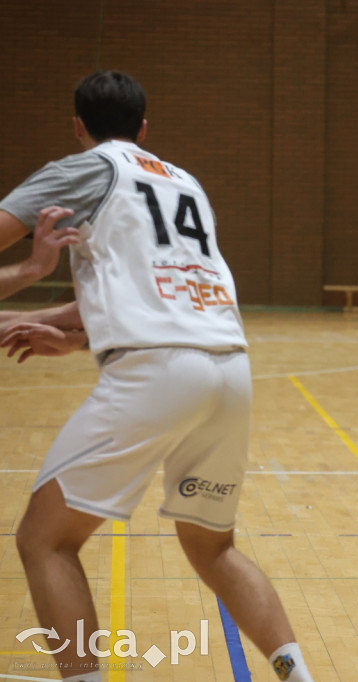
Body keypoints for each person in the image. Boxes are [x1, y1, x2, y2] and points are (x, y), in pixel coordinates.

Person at [0, 70, 314, 682]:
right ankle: (299, 677)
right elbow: (159, 290)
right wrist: (60, 327)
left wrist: (33, 274)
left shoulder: (82, 169)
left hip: (157, 372)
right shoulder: (186, 183)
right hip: (229, 371)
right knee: (214, 548)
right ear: (145, 128)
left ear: (77, 126)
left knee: (45, 540)